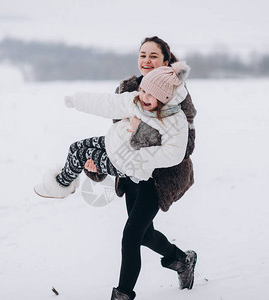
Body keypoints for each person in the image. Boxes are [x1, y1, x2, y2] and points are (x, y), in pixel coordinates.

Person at [84, 36, 197, 300]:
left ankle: (122, 295)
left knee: (130, 236)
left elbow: (186, 146)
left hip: (160, 178)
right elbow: (116, 136)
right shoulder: (127, 89)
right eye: (142, 55)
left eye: (154, 56)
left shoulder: (177, 93)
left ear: (166, 61)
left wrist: (142, 132)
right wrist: (98, 166)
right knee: (145, 235)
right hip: (132, 174)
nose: (146, 61)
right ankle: (181, 260)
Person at [34, 61, 190, 202]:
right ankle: (69, 181)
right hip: (114, 142)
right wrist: (77, 101)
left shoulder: (174, 121)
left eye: (151, 94)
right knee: (75, 147)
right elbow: (109, 103)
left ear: (165, 98)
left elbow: (174, 153)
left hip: (125, 163)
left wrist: (137, 158)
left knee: (80, 155)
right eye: (143, 91)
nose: (144, 97)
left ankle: (59, 186)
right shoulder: (136, 101)